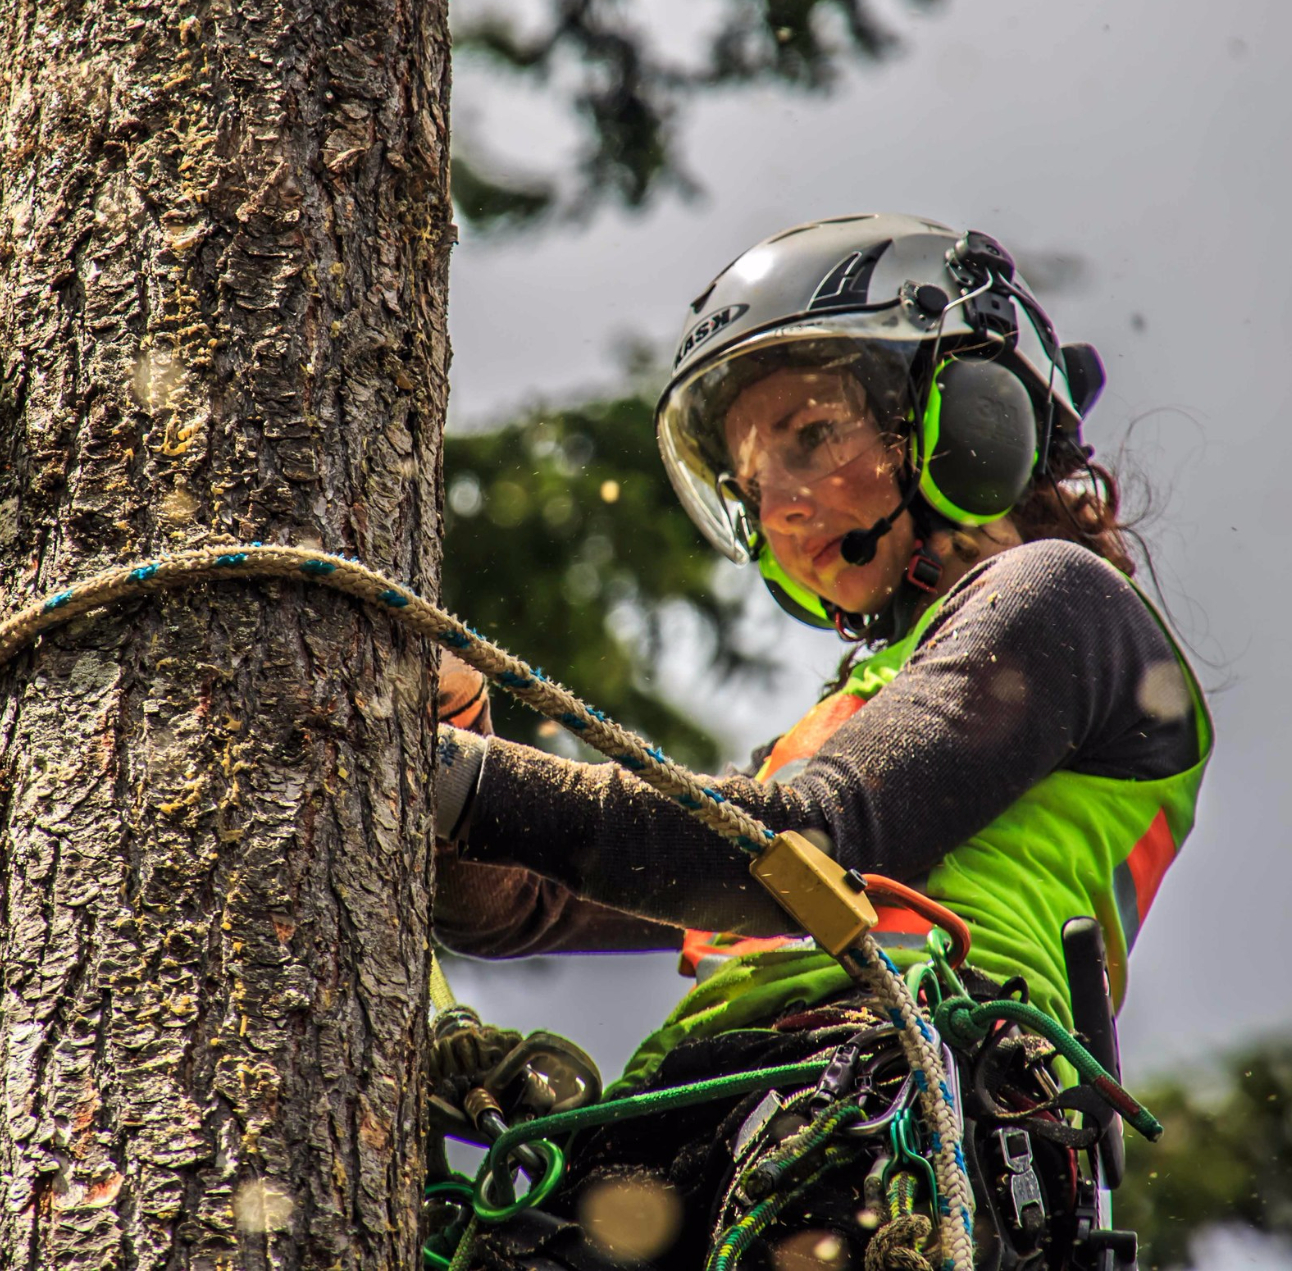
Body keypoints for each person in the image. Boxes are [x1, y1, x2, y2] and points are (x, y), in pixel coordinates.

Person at [425, 214, 1210, 1270]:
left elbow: (807, 843)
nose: (780, 505)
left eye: (808, 436)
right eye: (749, 482)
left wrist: (461, 780)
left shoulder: (1061, 604)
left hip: (884, 1099)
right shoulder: (823, 733)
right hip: (688, 1121)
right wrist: (449, 737)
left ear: (965, 417)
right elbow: (514, 899)